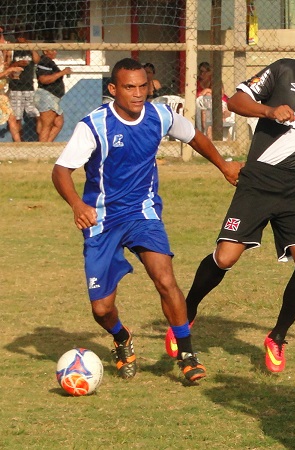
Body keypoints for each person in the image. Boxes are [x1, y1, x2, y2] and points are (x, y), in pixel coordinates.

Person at [164, 28, 295, 374]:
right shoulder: (283, 70)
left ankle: (277, 336)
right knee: (225, 256)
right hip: (258, 180)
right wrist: (267, 111)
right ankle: (185, 314)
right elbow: (234, 101)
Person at [51, 58, 242, 383]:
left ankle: (186, 354)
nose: (138, 93)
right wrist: (75, 205)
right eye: (129, 87)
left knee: (165, 279)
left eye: (143, 86)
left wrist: (223, 166)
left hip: (143, 213)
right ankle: (122, 338)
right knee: (101, 309)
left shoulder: (160, 115)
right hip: (102, 220)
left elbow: (194, 137)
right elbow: (60, 171)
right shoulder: (94, 125)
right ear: (113, 89)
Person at [34, 43, 72, 142]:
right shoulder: (45, 61)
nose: (55, 52)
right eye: (52, 50)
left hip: (51, 97)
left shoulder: (49, 62)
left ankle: (47, 144)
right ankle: (42, 149)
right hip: (46, 96)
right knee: (47, 125)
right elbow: (44, 79)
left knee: (58, 122)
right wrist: (62, 72)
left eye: (56, 50)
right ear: (45, 51)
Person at [9, 29, 41, 141]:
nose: (21, 38)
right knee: (17, 117)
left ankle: (41, 140)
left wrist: (31, 47)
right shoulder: (12, 50)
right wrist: (17, 63)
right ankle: (19, 142)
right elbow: (7, 67)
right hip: (15, 87)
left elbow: (37, 60)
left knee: (37, 115)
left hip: (29, 87)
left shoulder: (30, 49)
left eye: (24, 36)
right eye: (19, 36)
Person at [0, 65, 23, 141]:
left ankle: (18, 143)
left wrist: (11, 73)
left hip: (2, 96)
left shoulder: (3, 59)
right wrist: (9, 70)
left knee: (11, 118)